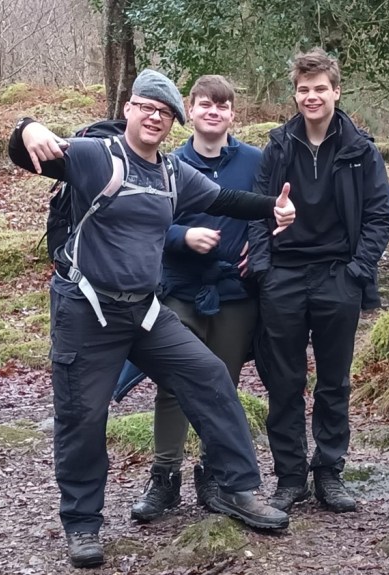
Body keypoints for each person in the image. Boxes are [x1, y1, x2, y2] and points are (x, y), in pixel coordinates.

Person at [7, 69, 292, 569]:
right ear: (129, 109)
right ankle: (82, 523)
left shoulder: (172, 173)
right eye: (147, 107)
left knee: (208, 376)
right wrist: (27, 126)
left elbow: (225, 200)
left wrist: (274, 207)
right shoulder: (97, 156)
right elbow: (28, 153)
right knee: (82, 416)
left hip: (144, 309)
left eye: (165, 113)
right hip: (86, 310)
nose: (156, 117)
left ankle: (236, 487)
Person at [246, 48, 389, 514]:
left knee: (334, 382)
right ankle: (290, 477)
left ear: (336, 92)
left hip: (337, 276)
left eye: (320, 89)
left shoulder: (360, 150)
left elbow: (381, 213)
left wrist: (358, 271)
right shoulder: (278, 146)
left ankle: (329, 471)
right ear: (295, 94)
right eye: (303, 90)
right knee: (284, 381)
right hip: (284, 277)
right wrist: (265, 270)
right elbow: (256, 209)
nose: (312, 97)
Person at [127, 75, 263, 522]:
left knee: (222, 385)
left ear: (232, 114)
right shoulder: (169, 164)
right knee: (174, 382)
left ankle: (215, 474)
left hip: (235, 294)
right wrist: (183, 236)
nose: (213, 112)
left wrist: (260, 246)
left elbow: (272, 211)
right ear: (190, 110)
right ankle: (164, 477)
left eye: (222, 106)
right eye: (205, 104)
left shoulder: (256, 161)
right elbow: (144, 220)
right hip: (180, 291)